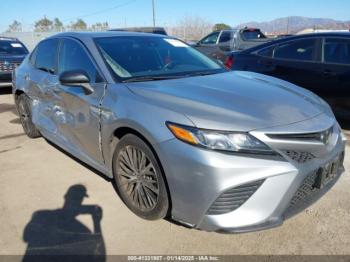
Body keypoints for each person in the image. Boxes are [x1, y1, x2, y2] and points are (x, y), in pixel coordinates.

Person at [22, 185, 105, 262]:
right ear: (66, 197)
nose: (75, 202)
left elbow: (98, 259)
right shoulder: (43, 216)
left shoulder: (82, 230)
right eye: (74, 198)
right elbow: (27, 236)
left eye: (78, 199)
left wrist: (96, 222)